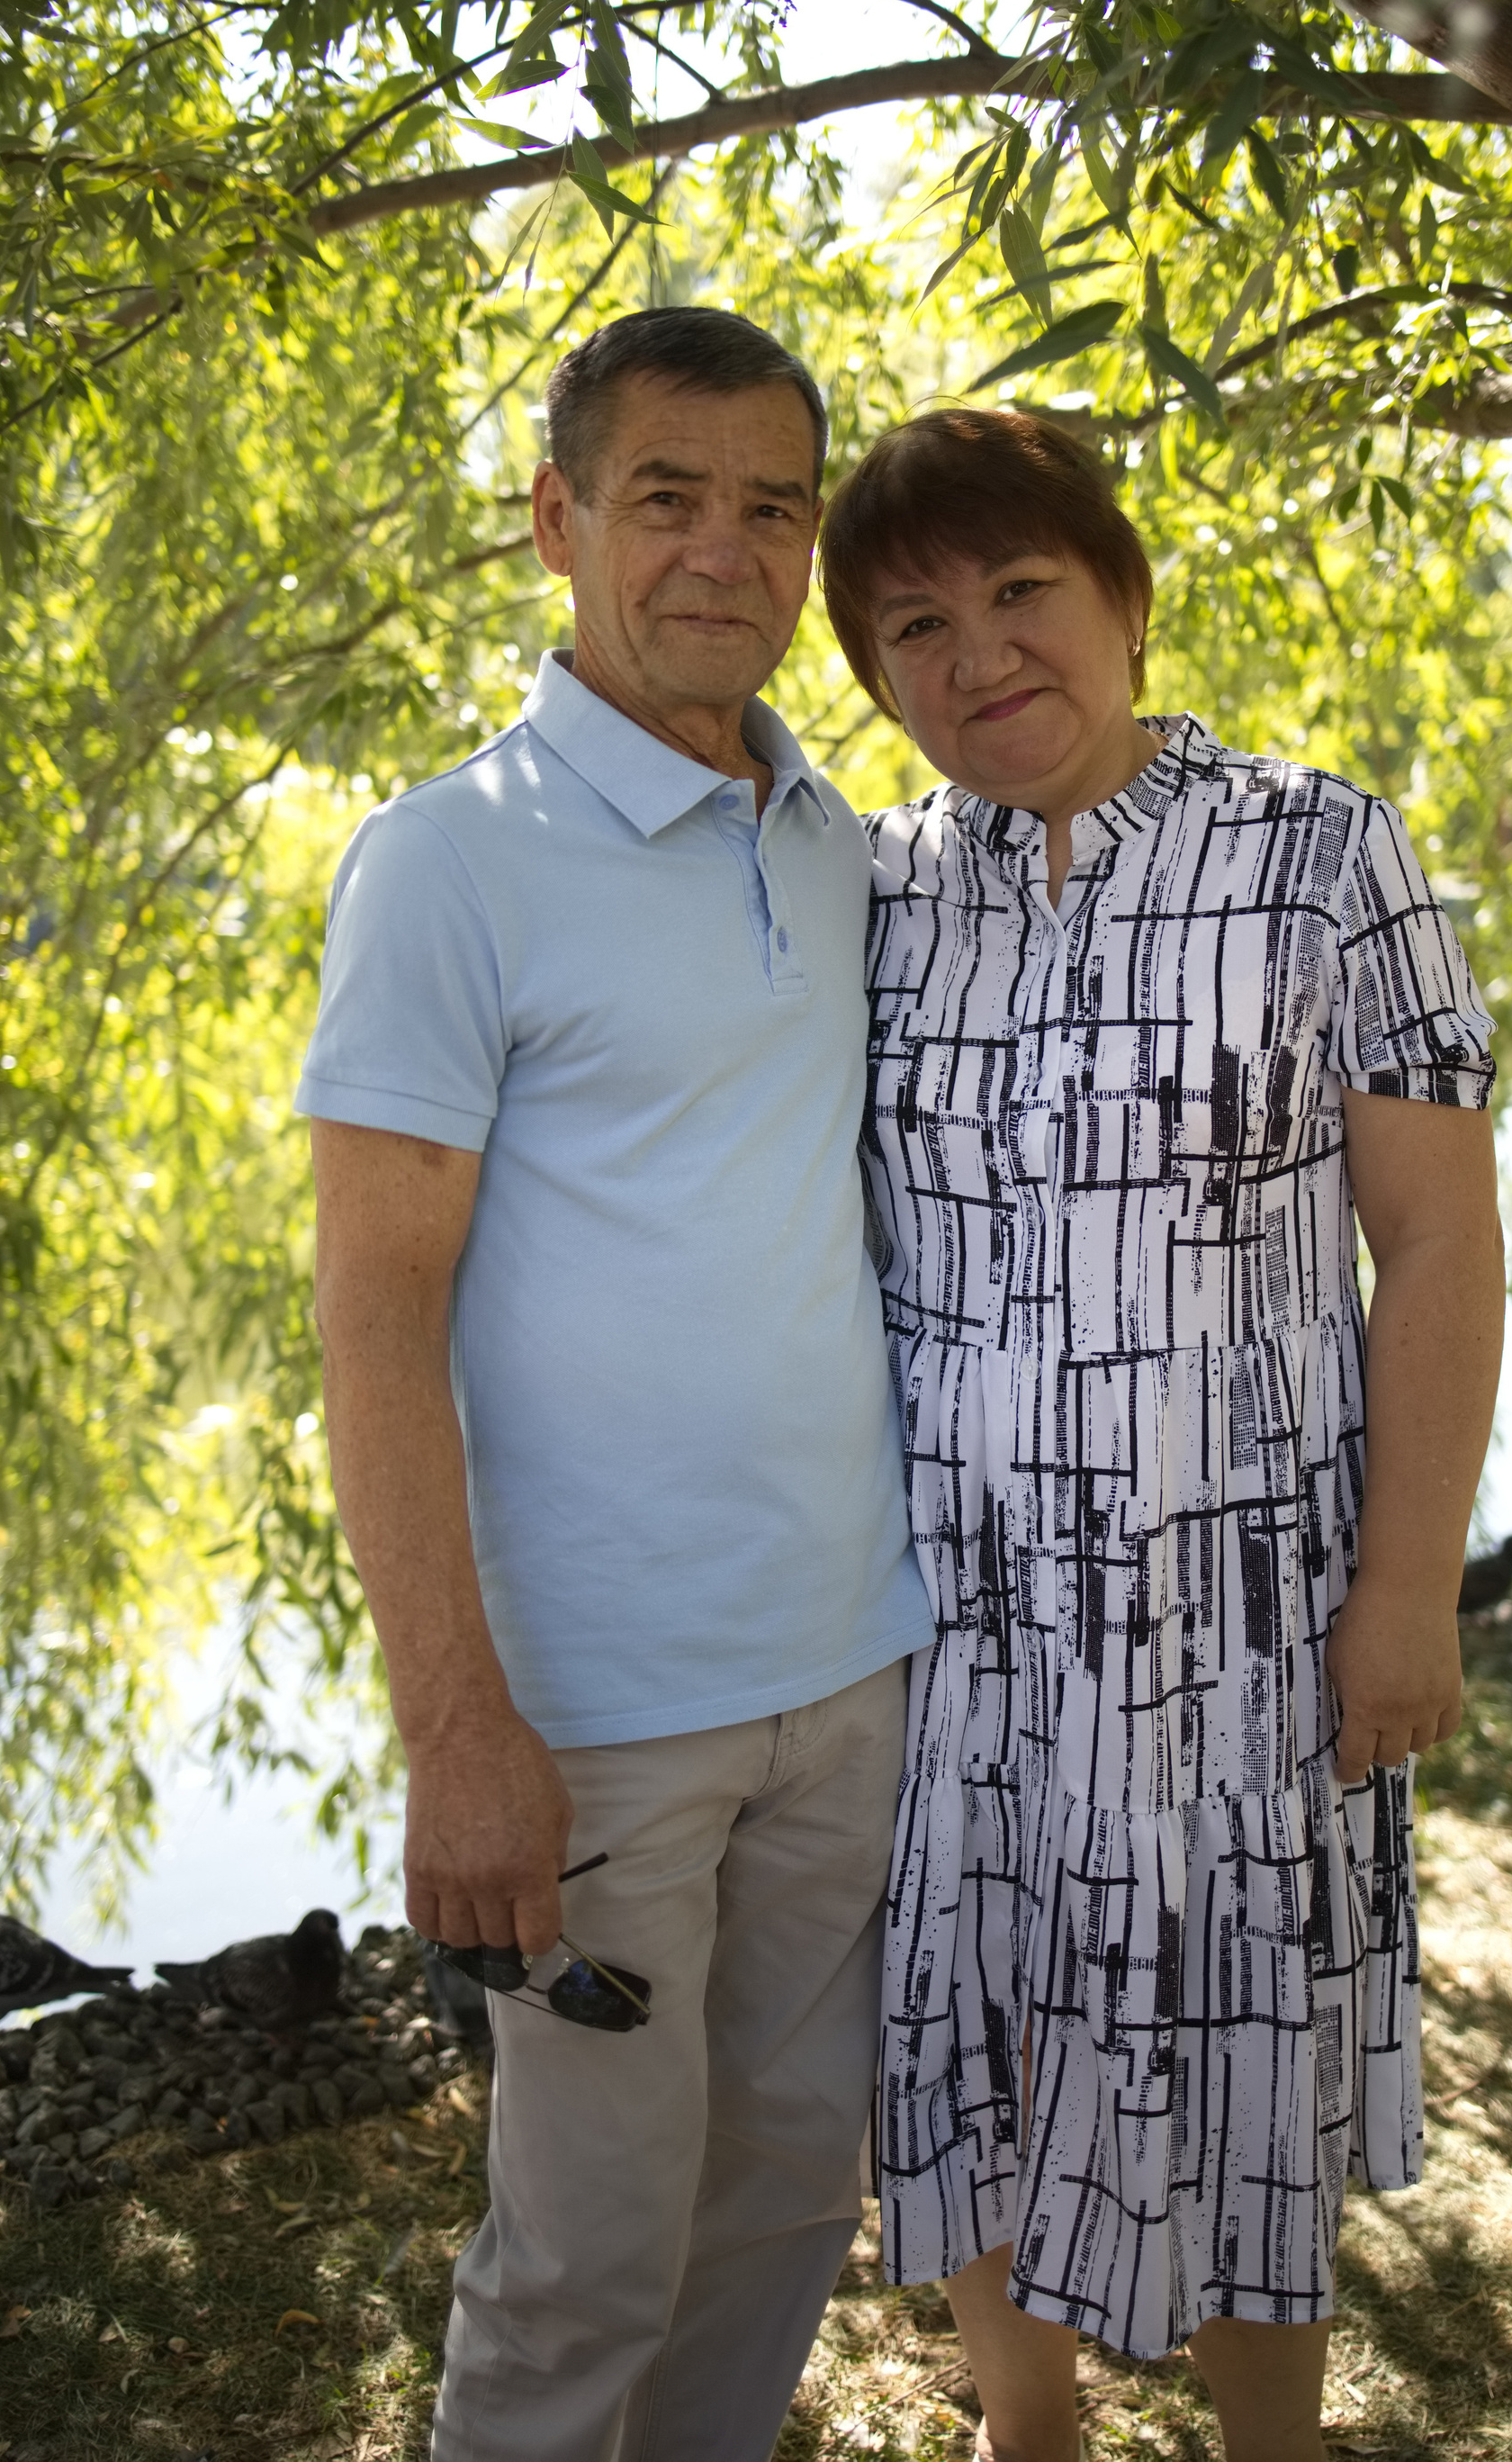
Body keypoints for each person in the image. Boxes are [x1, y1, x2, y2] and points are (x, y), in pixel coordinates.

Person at [817, 407, 1507, 2462]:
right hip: (954, 1624)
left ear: (1123, 595)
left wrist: (1410, 1589)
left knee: (1237, 2063)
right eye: (915, 627)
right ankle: (1024, 2432)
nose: (980, 656)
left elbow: (1440, 1243)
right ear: (874, 676)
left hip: (1244, 1619)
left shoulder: (1324, 853)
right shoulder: (876, 892)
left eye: (1021, 589)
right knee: (971, 2041)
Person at [298, 308, 932, 2462]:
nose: (724, 552)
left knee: (785, 2200)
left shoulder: (839, 841)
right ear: (557, 522)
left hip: (854, 1670)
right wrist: (455, 1728)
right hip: (598, 1721)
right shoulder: (448, 859)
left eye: (773, 507)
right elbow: (376, 1314)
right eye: (667, 496)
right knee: (583, 2262)